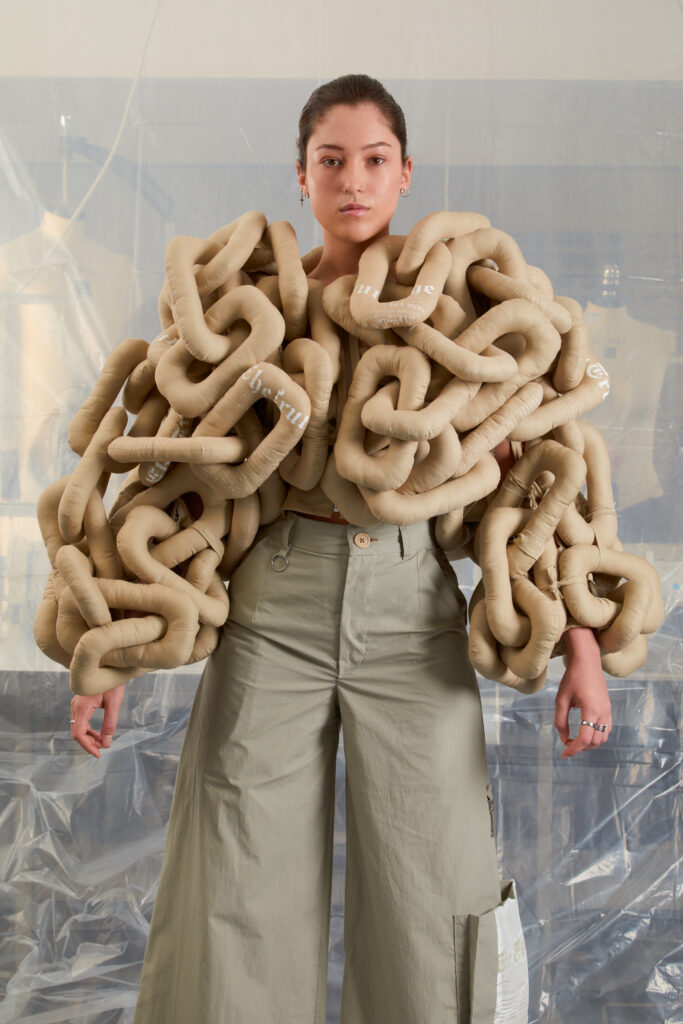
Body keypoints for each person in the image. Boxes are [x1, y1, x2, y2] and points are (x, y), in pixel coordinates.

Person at [70, 74, 612, 1023]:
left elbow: (546, 487)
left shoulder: (466, 305)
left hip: (412, 607)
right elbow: (171, 478)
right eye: (331, 161)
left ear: (406, 172)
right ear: (301, 175)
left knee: (433, 877)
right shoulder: (247, 304)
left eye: (372, 161)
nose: (352, 181)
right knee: (230, 873)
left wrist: (584, 653)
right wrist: (110, 652)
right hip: (275, 597)